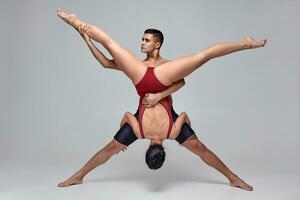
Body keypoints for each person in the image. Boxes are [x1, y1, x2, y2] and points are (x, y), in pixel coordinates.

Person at [56, 8, 267, 191]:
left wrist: (159, 95)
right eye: (142, 39)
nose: (141, 43)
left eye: (146, 40)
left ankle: (245, 44)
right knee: (201, 58)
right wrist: (85, 37)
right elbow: (106, 64)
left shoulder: (166, 69)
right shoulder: (166, 128)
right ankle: (233, 178)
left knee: (201, 56)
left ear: (156, 45)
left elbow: (180, 83)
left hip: (155, 78)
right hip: (143, 76)